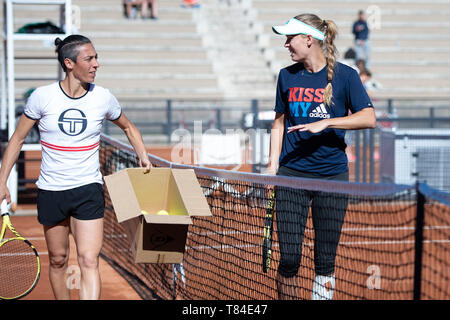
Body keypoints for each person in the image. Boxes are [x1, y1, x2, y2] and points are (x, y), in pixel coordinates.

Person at [0, 35, 152, 300]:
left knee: (89, 260)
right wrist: (2, 181)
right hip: (51, 191)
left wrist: (143, 155)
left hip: (88, 190)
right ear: (69, 63)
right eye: (89, 59)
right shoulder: (42, 97)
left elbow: (128, 127)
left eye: (96, 58)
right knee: (58, 260)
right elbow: (17, 139)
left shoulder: (103, 97)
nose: (96, 64)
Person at [267, 14, 376, 300]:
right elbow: (278, 123)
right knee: (289, 259)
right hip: (292, 176)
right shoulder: (286, 76)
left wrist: (328, 122)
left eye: (290, 38)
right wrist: (270, 166)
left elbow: (369, 117)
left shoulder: (346, 75)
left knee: (325, 261)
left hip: (333, 177)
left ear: (309, 39)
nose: (286, 44)